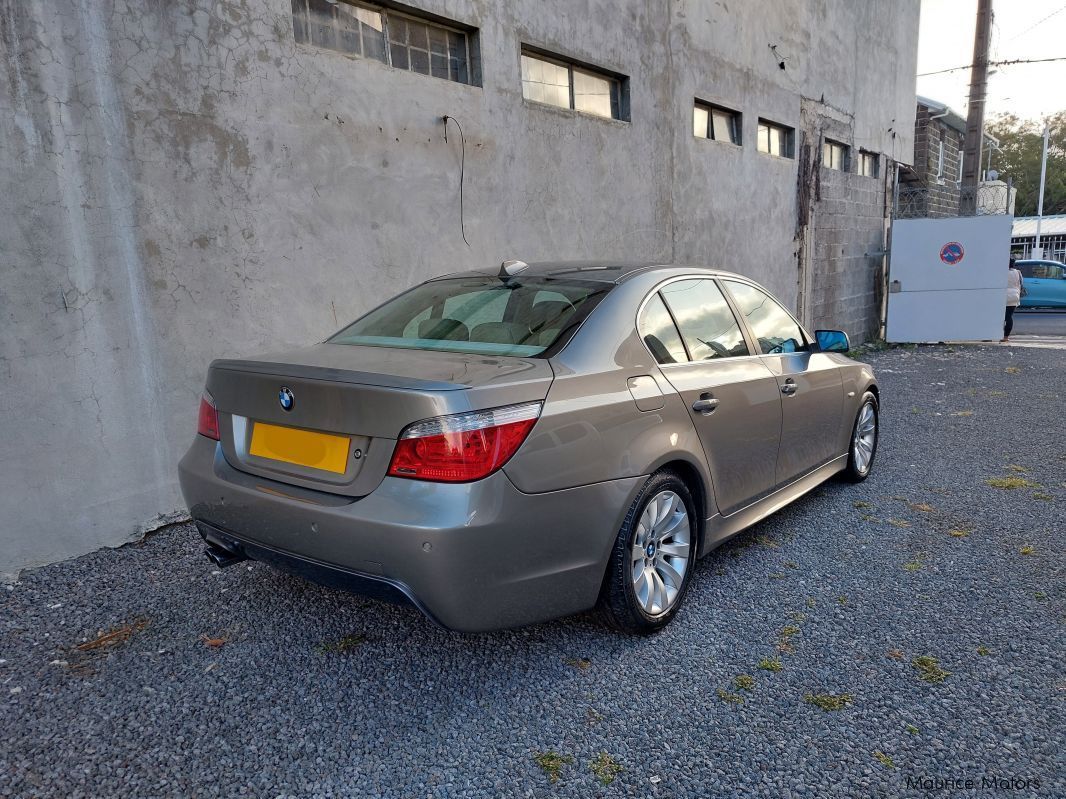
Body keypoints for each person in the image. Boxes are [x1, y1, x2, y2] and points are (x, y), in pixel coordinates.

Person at [1002, 258, 1024, 342]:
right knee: (1009, 317)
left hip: (1003, 296)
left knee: (997, 317)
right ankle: (1006, 337)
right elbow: (1021, 284)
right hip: (1014, 296)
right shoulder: (1018, 272)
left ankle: (990, 336)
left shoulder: (1002, 272)